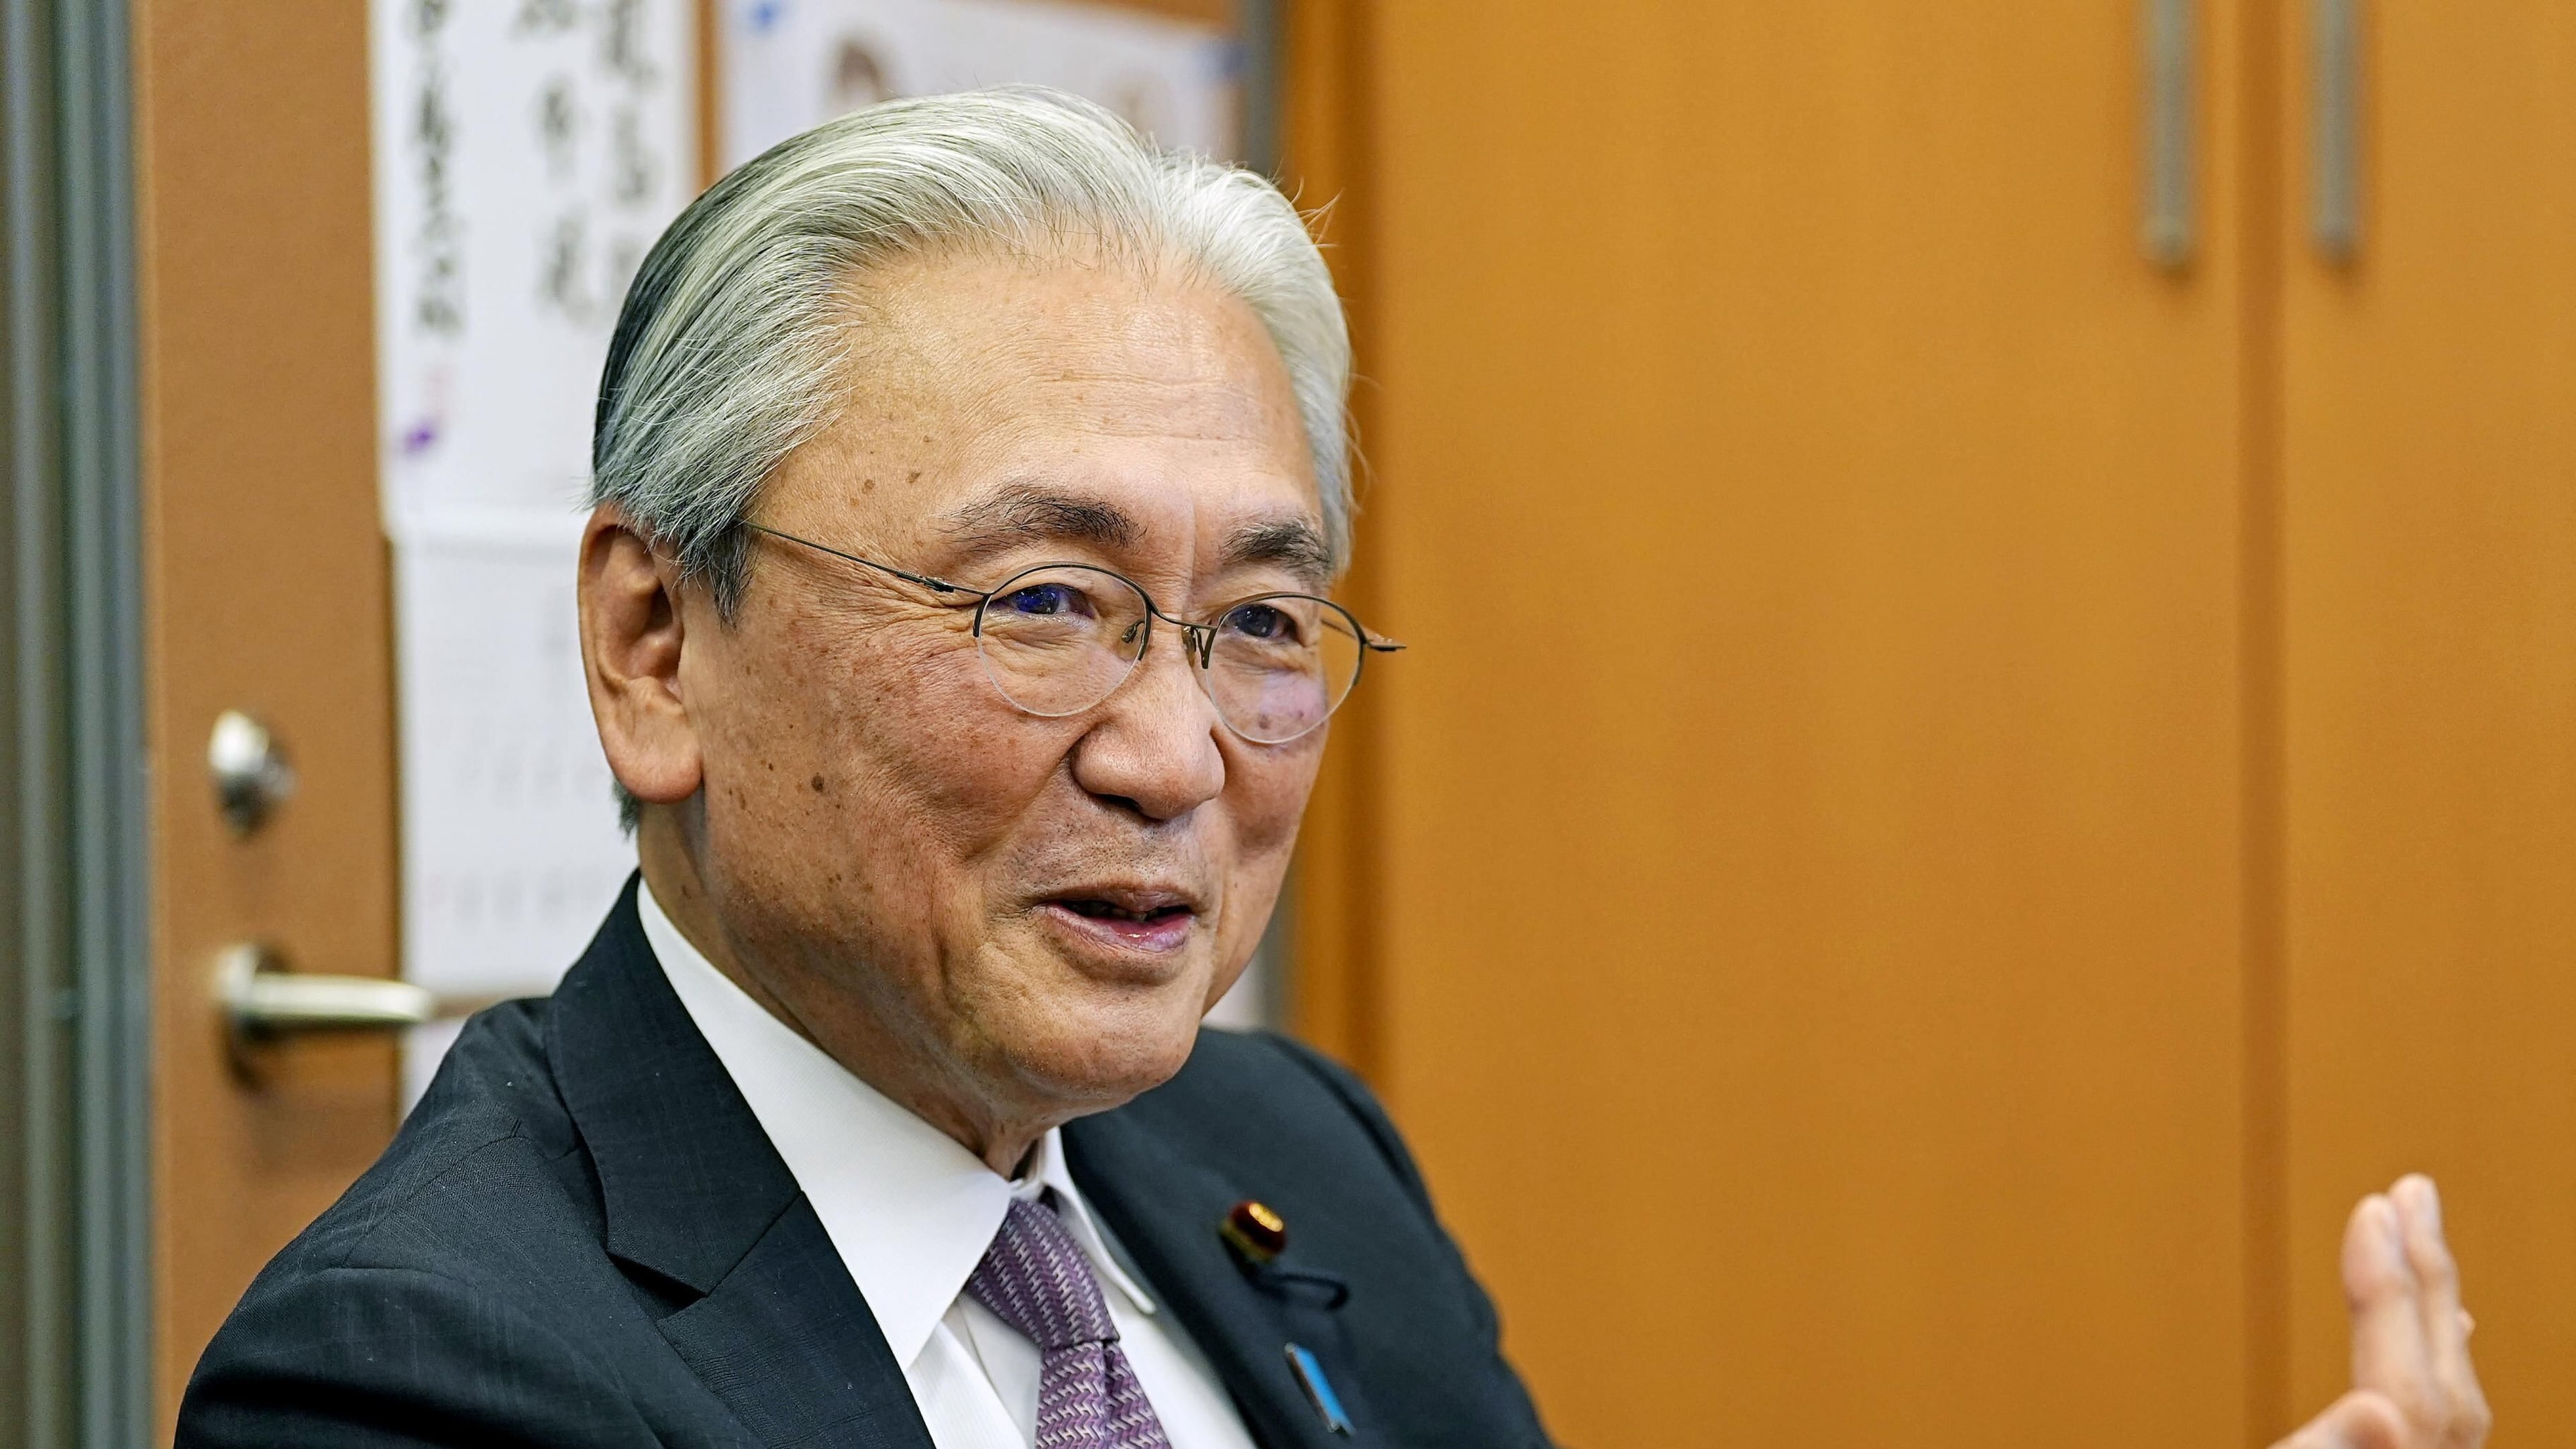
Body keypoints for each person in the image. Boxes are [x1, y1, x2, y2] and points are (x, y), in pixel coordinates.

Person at [178, 90, 2490, 1449]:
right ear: (655, 644)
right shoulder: (435, 1378)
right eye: (1043, 603)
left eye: (1260, 626)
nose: (1182, 752)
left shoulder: (1278, 1158)